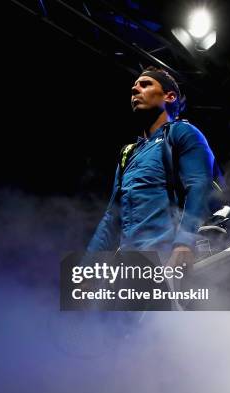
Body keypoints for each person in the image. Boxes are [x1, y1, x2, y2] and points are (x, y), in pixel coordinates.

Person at [87, 66, 217, 268]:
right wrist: (88, 268)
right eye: (134, 86)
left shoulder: (182, 132)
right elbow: (112, 217)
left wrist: (185, 242)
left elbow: (199, 184)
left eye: (145, 84)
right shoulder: (128, 153)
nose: (135, 89)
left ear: (170, 97)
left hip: (169, 261)